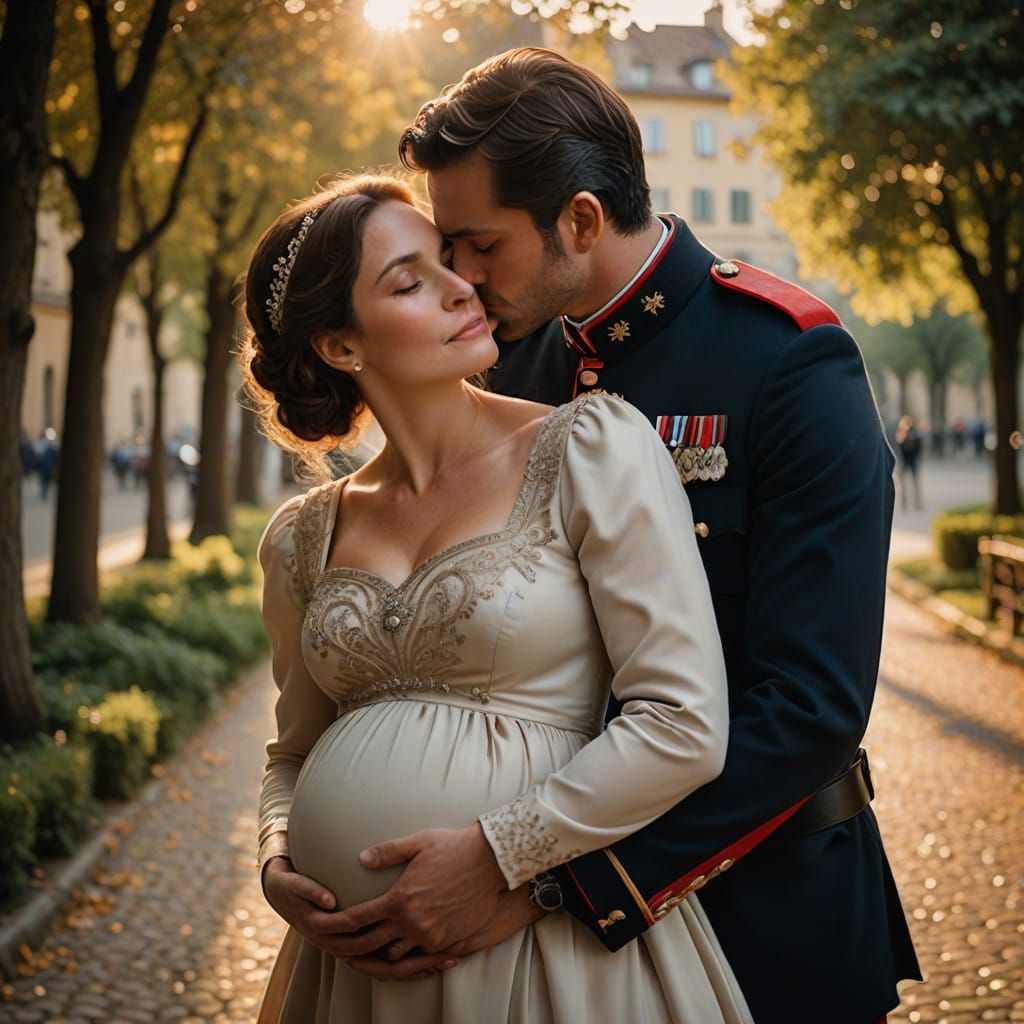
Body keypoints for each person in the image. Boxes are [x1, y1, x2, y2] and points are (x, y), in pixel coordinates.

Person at [298, 49, 919, 1024]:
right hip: (533, 965)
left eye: (477, 244)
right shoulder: (505, 370)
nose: (459, 278)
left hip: (762, 909)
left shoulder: (786, 362)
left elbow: (810, 705)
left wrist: (551, 878)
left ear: (578, 220)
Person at [242, 175, 753, 1023]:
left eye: (448, 260)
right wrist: (276, 858)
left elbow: (683, 723)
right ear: (340, 345)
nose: (459, 288)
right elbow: (291, 754)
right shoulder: (301, 536)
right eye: (409, 282)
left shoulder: (589, 446)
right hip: (353, 976)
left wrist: (499, 854)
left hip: (551, 952)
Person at [894, 415, 923, 511]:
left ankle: (917, 502)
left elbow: (919, 447)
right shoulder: (901, 433)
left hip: (912, 460)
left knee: (915, 482)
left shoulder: (914, 433)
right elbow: (898, 446)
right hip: (904, 461)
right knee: (902, 483)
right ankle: (904, 502)